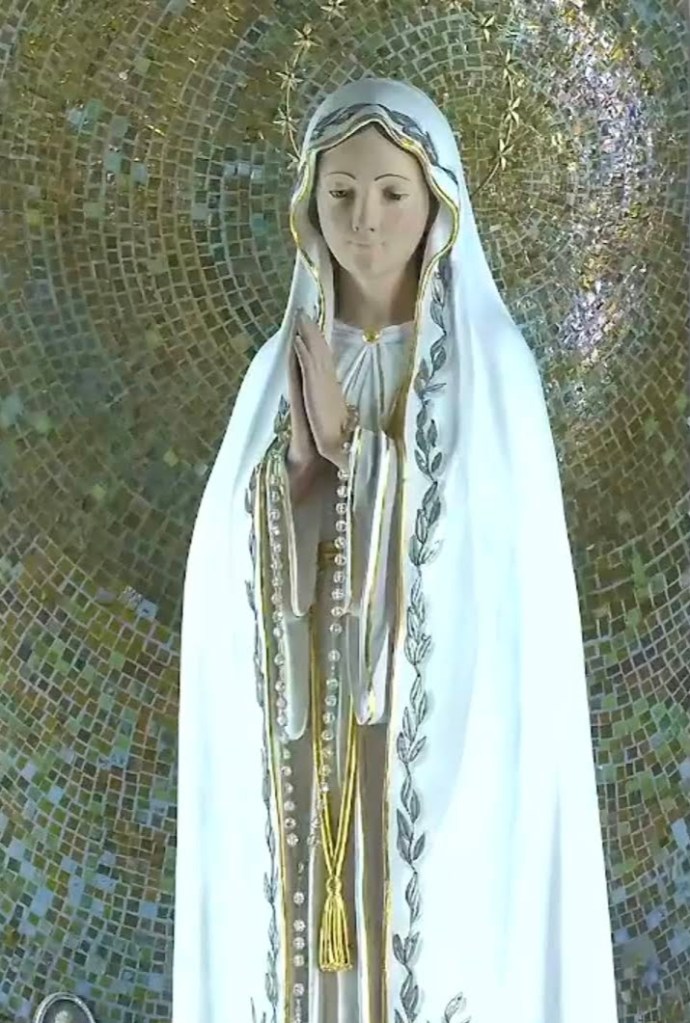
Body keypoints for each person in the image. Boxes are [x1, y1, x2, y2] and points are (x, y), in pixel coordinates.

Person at [172, 77, 619, 1023]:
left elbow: (490, 575)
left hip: (434, 745)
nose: (364, 221)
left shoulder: (493, 372)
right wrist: (299, 476)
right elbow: (222, 582)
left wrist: (354, 451)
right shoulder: (276, 371)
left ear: (437, 204)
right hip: (313, 736)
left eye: (390, 193)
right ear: (309, 204)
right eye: (341, 192)